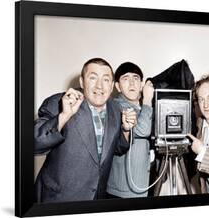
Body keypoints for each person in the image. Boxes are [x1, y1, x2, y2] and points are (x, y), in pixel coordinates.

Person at [34, 58, 137, 203]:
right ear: (82, 82)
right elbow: (31, 144)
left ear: (112, 85)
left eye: (106, 80)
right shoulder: (59, 102)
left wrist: (126, 130)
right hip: (58, 200)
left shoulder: (115, 108)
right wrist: (64, 116)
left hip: (96, 200)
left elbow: (117, 148)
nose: (100, 86)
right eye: (93, 78)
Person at [106, 62, 154, 198]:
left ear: (141, 84)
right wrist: (148, 100)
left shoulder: (142, 108)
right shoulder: (116, 106)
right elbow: (143, 130)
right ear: (117, 86)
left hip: (141, 186)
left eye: (136, 78)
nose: (132, 83)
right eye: (126, 79)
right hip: (121, 191)